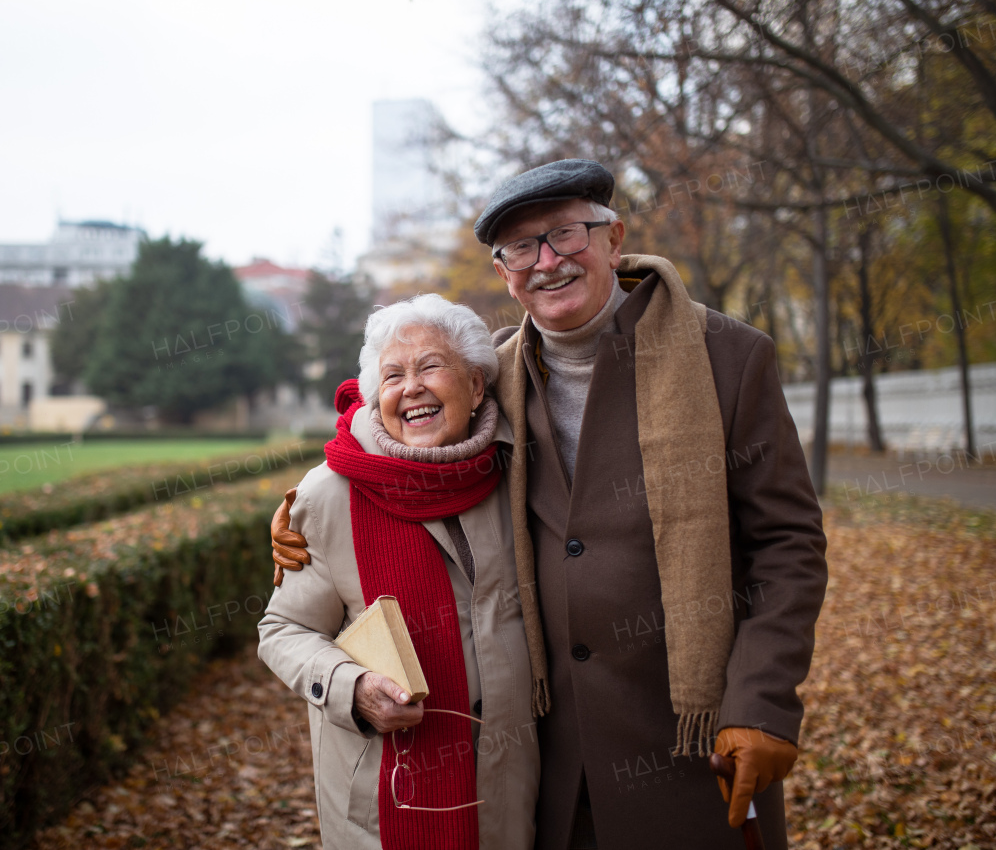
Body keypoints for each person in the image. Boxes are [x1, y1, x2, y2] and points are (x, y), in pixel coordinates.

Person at [271, 159, 828, 850]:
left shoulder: (729, 358)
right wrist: (308, 505)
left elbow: (789, 544)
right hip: (553, 763)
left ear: (614, 238)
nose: (547, 261)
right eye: (520, 249)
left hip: (692, 741)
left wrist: (765, 701)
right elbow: (394, 430)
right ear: (504, 272)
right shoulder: (495, 372)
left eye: (565, 234)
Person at [258, 294, 541, 850]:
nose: (410, 387)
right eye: (392, 375)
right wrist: (351, 687)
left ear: (478, 386)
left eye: (431, 366)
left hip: (509, 788)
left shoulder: (520, 471)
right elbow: (282, 631)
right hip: (385, 795)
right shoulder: (331, 490)